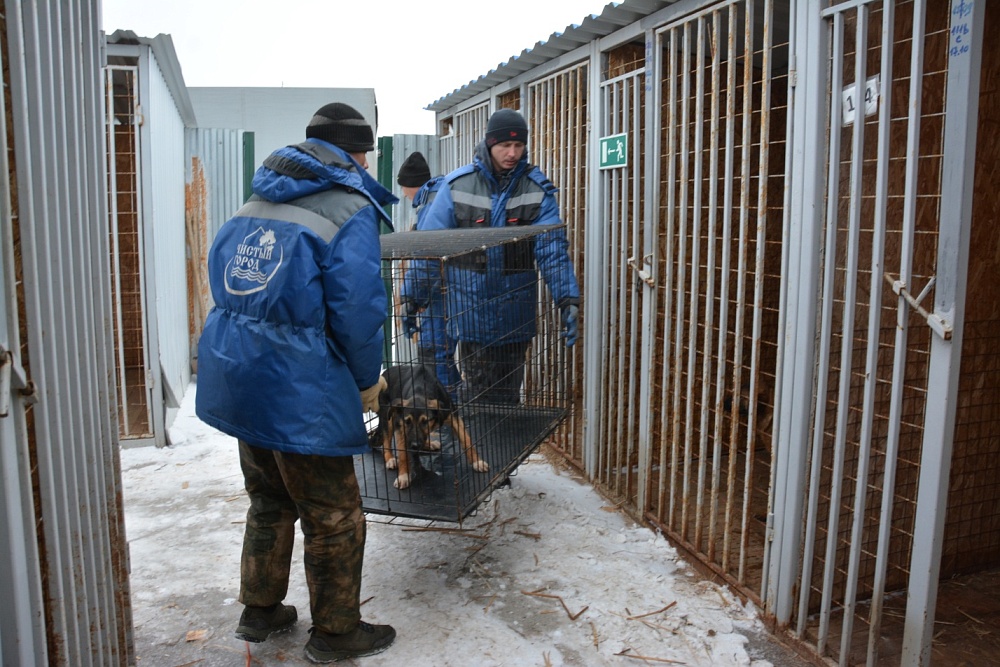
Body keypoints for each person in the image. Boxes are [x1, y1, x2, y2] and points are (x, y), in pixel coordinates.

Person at [195, 102, 396, 663]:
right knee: (333, 513)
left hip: (240, 374)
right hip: (299, 385)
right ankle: (336, 632)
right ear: (357, 154)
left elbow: (223, 279)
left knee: (268, 496)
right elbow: (357, 310)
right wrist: (365, 383)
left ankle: (260, 609)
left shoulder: (253, 201)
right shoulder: (350, 208)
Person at [403, 108, 580, 405]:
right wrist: (412, 298)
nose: (512, 153)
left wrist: (567, 298)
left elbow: (552, 251)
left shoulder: (537, 190)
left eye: (518, 145)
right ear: (489, 144)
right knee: (480, 404)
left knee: (506, 404)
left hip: (515, 318)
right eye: (504, 146)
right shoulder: (457, 186)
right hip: (472, 316)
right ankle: (476, 450)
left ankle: (490, 451)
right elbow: (429, 248)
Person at [396, 151, 460, 398]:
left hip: (441, 293)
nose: (404, 194)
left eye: (404, 188)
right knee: (439, 356)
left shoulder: (431, 205)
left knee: (433, 356)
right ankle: (456, 409)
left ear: (413, 186)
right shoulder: (439, 195)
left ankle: (446, 420)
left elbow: (427, 257)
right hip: (450, 289)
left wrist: (412, 298)